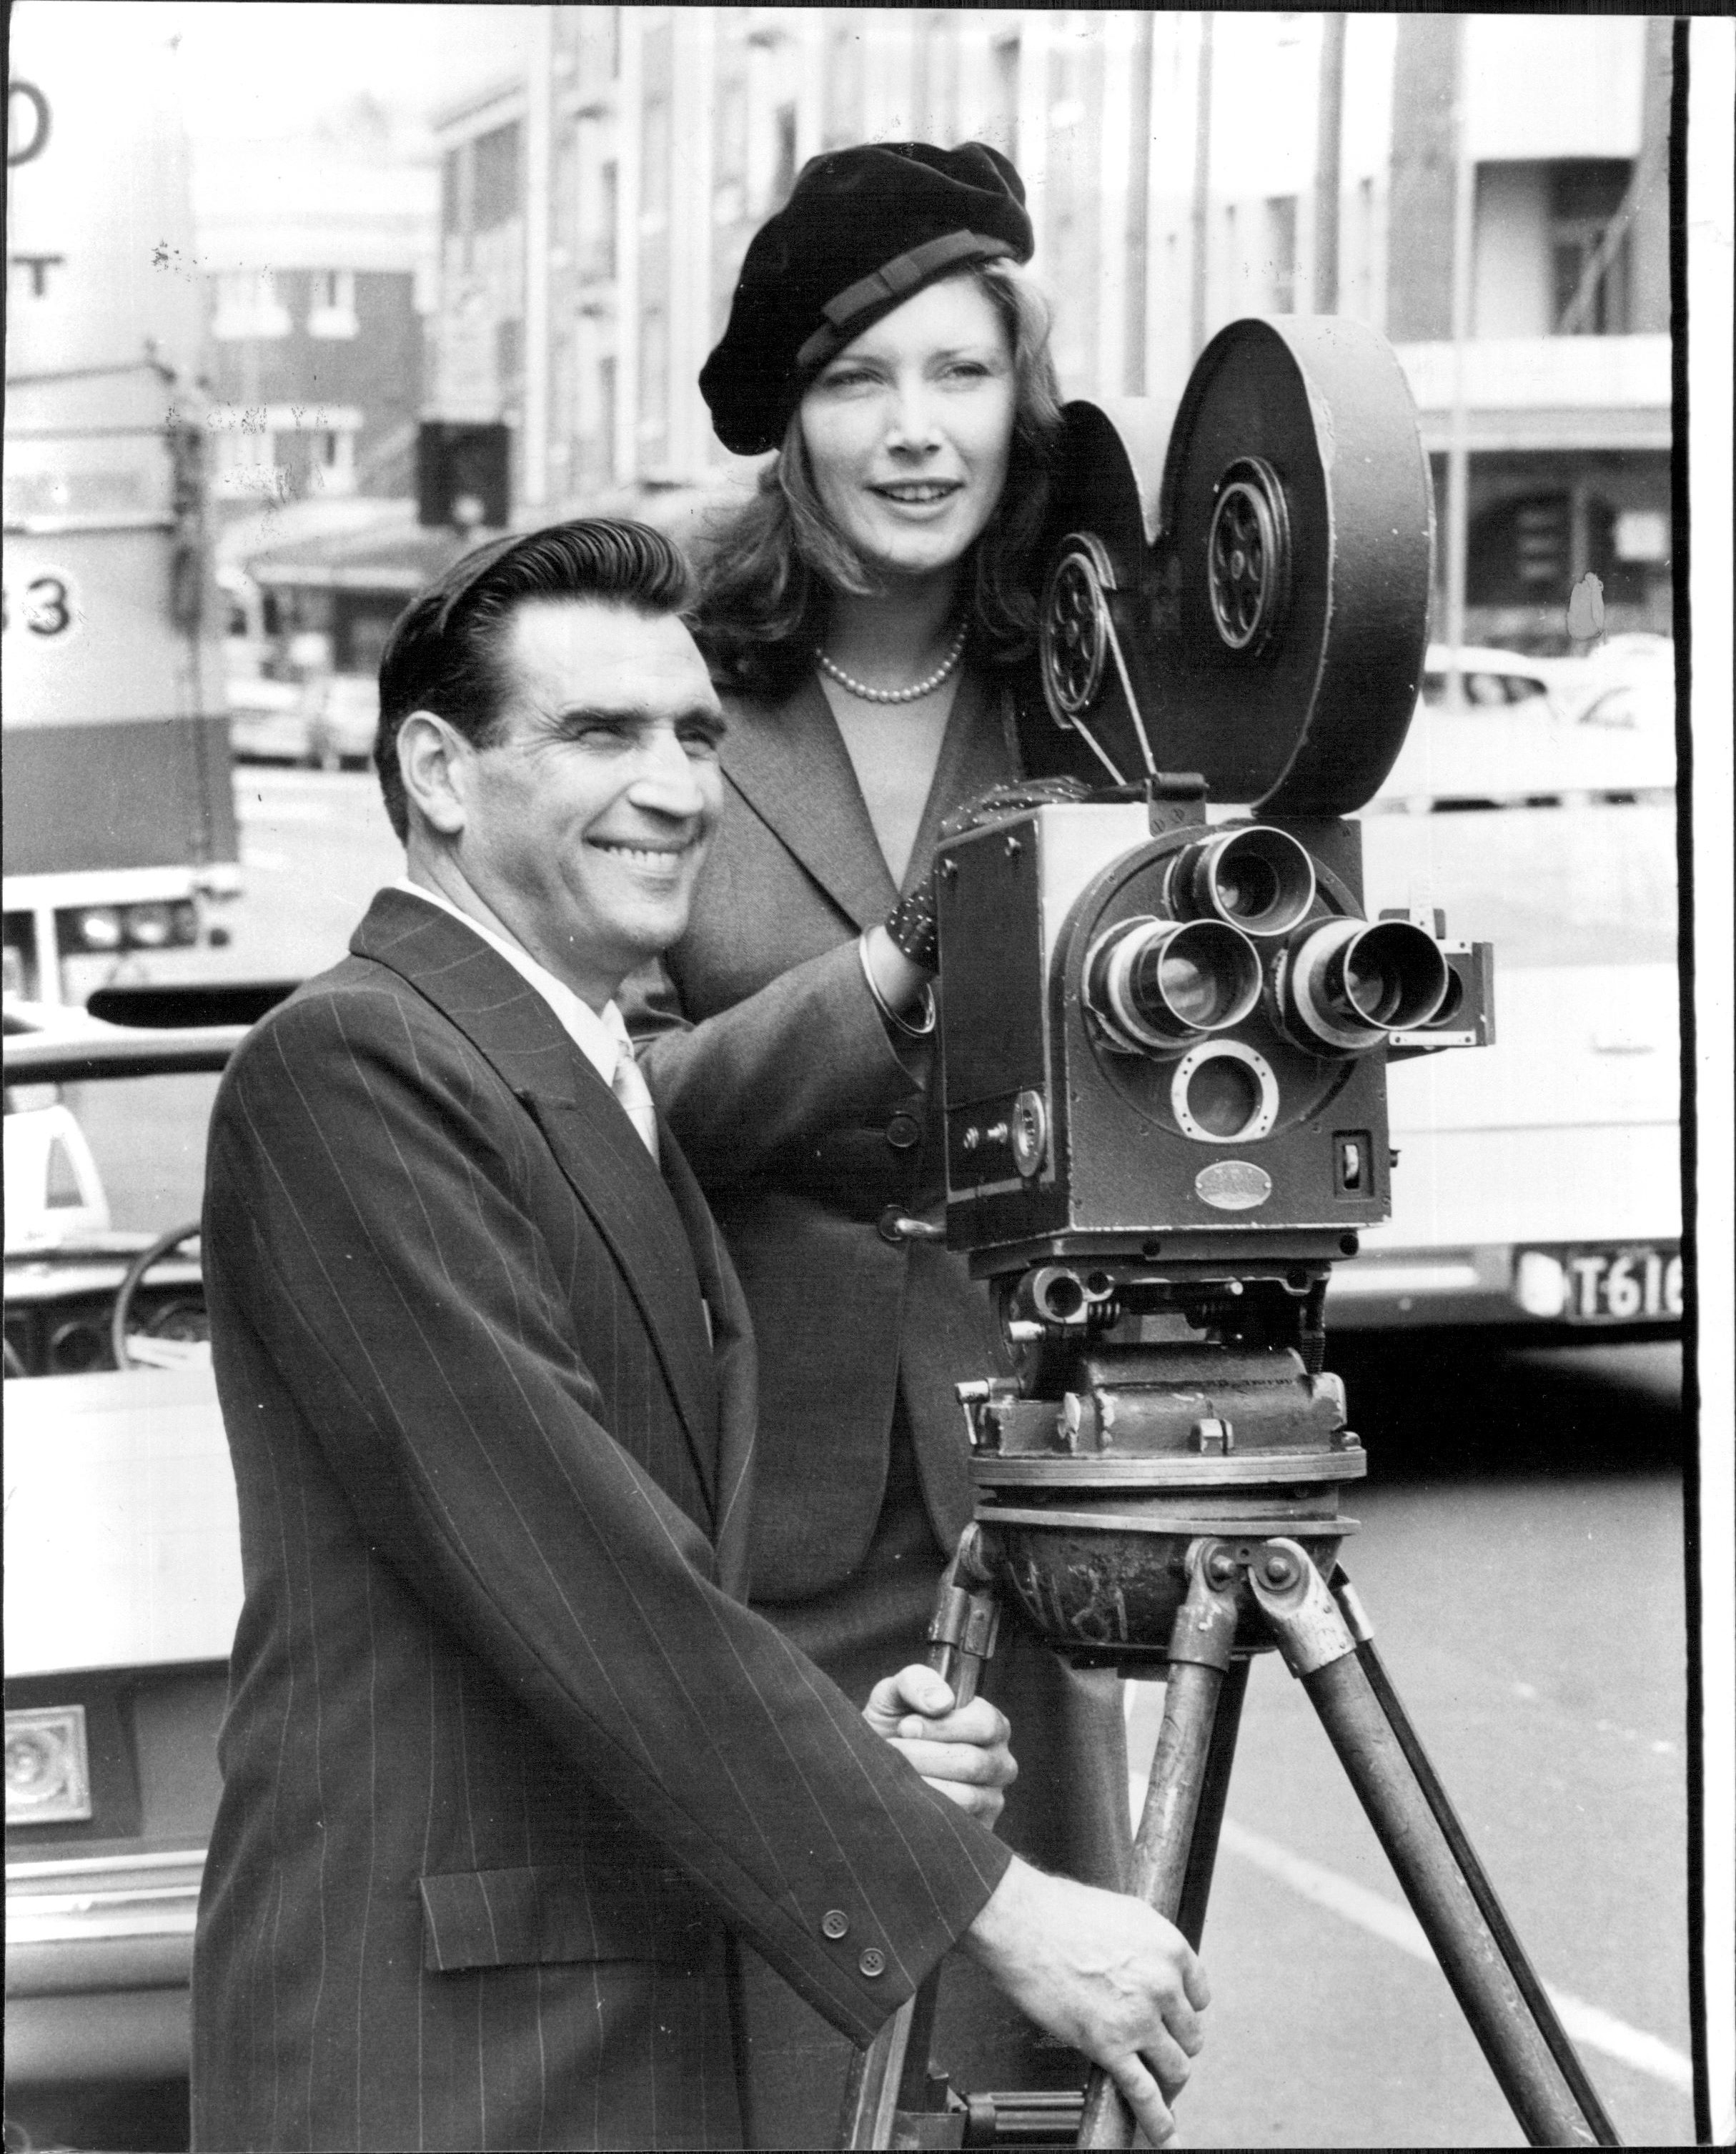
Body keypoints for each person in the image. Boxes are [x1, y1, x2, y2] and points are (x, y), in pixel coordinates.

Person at [189, 520, 1208, 2151]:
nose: (673, 787)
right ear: (438, 772)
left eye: (694, 734)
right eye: (601, 734)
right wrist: (985, 1897)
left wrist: (861, 1768)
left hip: (575, 2018)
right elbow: (581, 1572)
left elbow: (625, 1585)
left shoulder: (577, 1070)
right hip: (448, 2058)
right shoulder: (356, 1066)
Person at [622, 141, 1136, 2138]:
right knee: (776, 2068)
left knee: (1037, 2056)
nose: (915, 431)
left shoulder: (1091, 677)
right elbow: (609, 1099)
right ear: (787, 420)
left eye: (961, 372)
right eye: (857, 380)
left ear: (1025, 397)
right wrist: (887, 971)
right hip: (746, 1486)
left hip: (1030, 1478)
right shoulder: (661, 669)